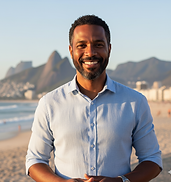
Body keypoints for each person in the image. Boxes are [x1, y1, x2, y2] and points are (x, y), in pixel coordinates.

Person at [26, 15, 162, 182]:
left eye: (98, 45)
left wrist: (120, 181)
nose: (90, 53)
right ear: (71, 51)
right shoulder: (49, 103)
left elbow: (152, 160)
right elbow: (35, 160)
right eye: (81, 45)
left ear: (109, 49)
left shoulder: (136, 102)